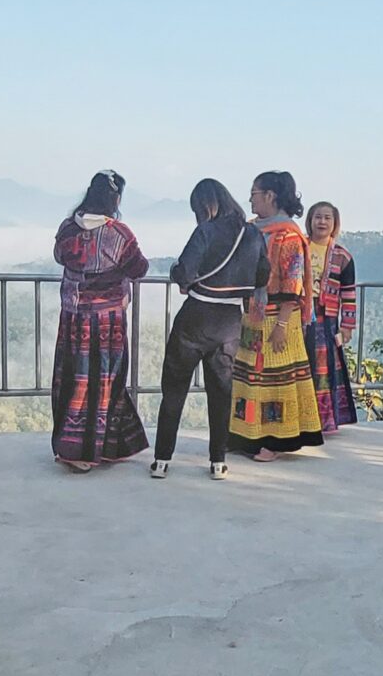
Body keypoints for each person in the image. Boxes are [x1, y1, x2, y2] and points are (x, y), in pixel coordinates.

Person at [152, 179, 266, 481]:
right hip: (229, 324)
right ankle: (218, 462)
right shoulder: (253, 234)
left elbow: (185, 271)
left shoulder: (206, 231)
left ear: (204, 205)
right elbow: (262, 274)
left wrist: (179, 274)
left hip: (195, 321)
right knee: (221, 393)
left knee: (174, 390)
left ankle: (162, 460)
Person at [49, 170, 149, 471]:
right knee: (105, 381)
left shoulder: (68, 229)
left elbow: (58, 256)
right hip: (108, 321)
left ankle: (71, 447)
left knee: (74, 379)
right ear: (115, 199)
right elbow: (139, 267)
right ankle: (94, 449)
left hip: (73, 319)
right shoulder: (119, 234)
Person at [228, 171, 323, 460]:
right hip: (253, 315)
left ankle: (274, 441)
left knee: (275, 380)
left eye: (255, 193)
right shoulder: (254, 229)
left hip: (277, 317)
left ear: (270, 196)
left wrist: (282, 324)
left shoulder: (288, 235)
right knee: (248, 378)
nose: (251, 199)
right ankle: (246, 435)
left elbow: (293, 286)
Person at [303, 201, 360, 434]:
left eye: (327, 218)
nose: (322, 222)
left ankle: (322, 419)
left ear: (335, 223)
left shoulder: (342, 256)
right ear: (310, 220)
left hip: (325, 318)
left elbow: (348, 293)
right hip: (297, 313)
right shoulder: (300, 247)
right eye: (318, 217)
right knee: (300, 366)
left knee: (322, 370)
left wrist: (347, 326)